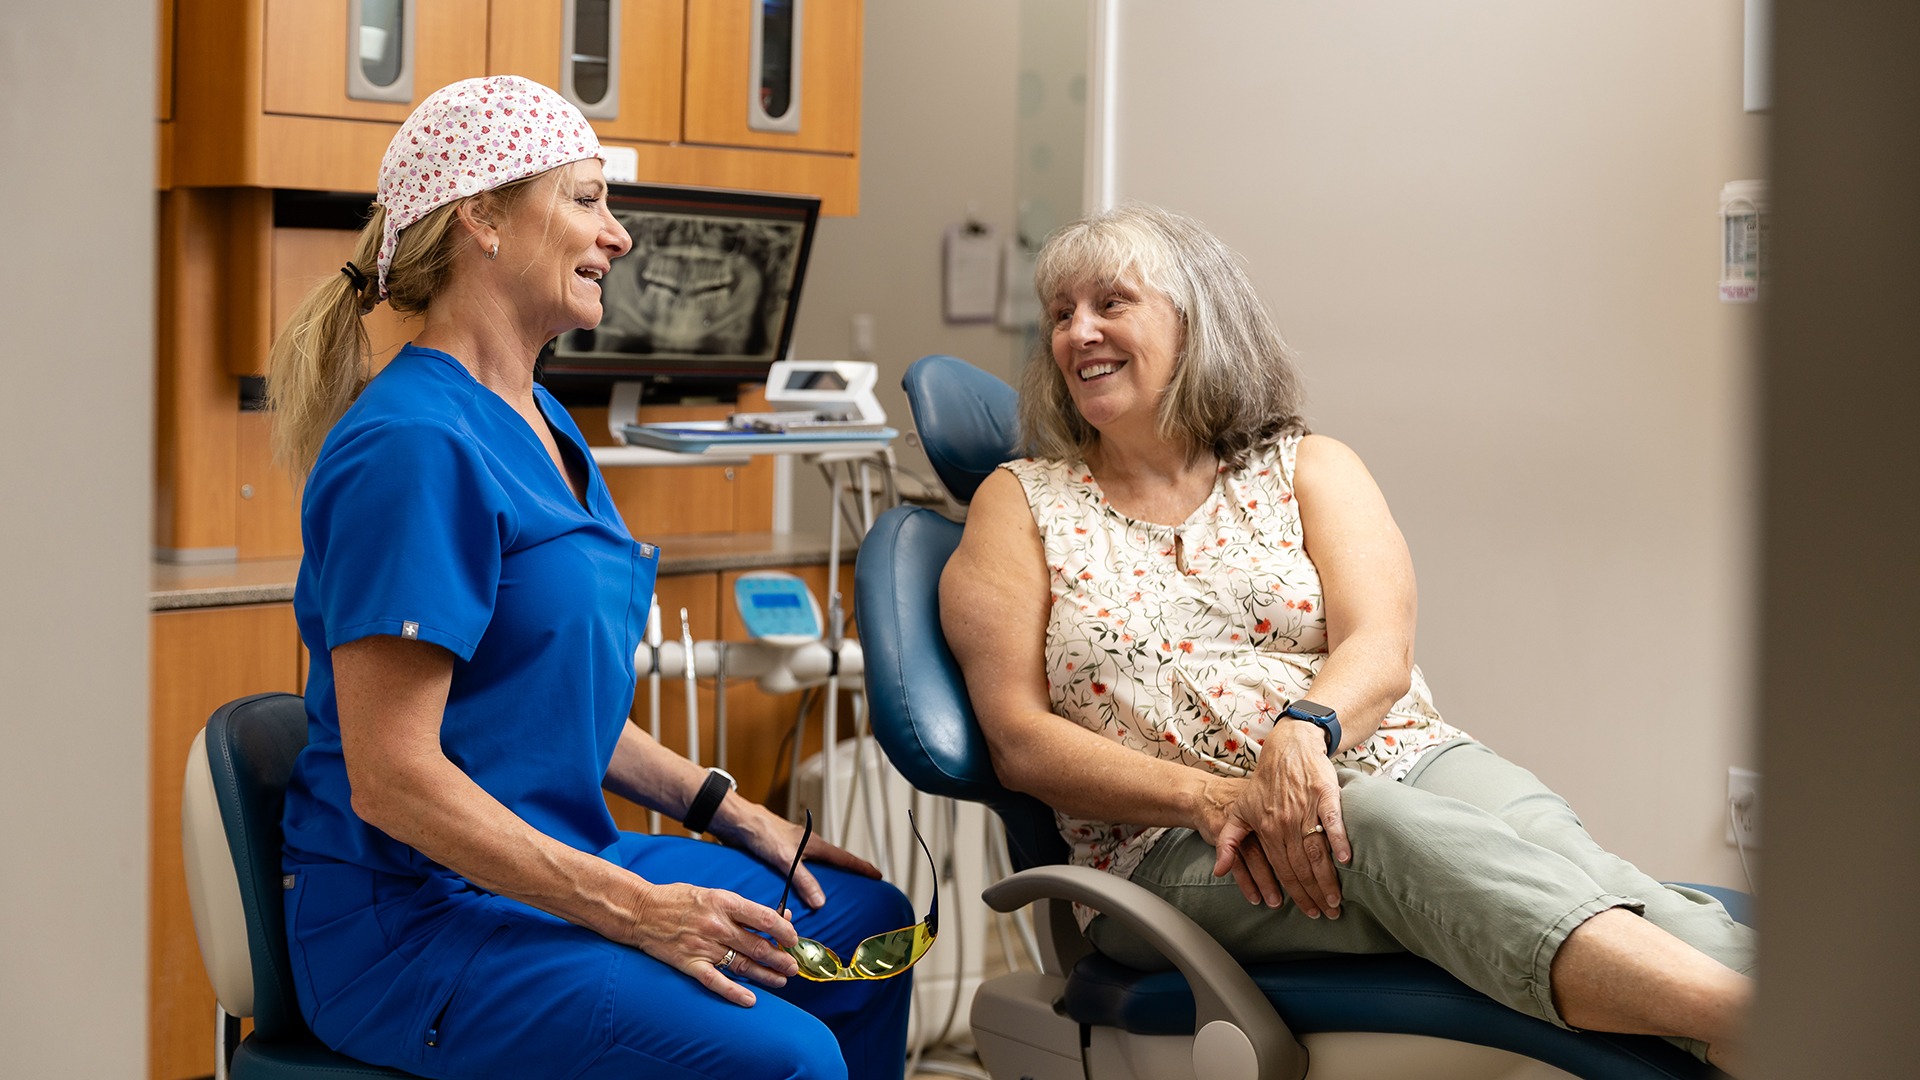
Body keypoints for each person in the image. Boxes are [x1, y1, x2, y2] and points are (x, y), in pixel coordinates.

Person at [940, 204, 1755, 1073]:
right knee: (1369, 826)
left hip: (1398, 750)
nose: (1079, 331)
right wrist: (1209, 798)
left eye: (1111, 302)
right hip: (1177, 842)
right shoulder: (1021, 504)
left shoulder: (1306, 465)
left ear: (1196, 322)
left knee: (1571, 861)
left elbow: (1379, 646)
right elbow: (1019, 742)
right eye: (1061, 313)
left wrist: (1304, 730)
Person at [267, 76, 912, 1080]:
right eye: (587, 198)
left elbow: (542, 700)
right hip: (415, 922)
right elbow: (393, 779)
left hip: (543, 858)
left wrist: (736, 814)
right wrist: (640, 912)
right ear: (481, 216)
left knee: (862, 932)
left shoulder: (546, 423)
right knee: (788, 1058)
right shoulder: (411, 447)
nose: (618, 236)